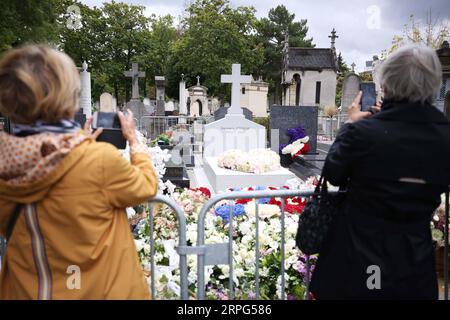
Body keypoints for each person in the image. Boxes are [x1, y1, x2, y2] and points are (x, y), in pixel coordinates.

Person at [0, 45, 158, 299]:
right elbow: (146, 186)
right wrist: (134, 142)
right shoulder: (99, 161)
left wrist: (76, 142)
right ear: (67, 97)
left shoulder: (5, 164)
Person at [310, 45, 450, 300]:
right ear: (434, 82)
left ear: (388, 81)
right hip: (414, 260)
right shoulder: (445, 136)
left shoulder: (363, 132)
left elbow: (334, 173)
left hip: (357, 255)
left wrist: (351, 124)